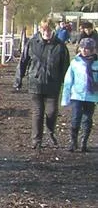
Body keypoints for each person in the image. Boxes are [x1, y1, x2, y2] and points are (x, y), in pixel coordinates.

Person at [15, 18, 71, 149]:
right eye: (44, 29)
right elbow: (23, 62)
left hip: (53, 84)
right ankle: (36, 140)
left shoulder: (60, 46)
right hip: (36, 83)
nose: (46, 32)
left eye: (49, 30)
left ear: (53, 30)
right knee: (38, 113)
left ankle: (50, 131)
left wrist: (67, 84)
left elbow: (65, 66)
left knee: (51, 112)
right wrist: (18, 80)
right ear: (40, 29)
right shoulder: (32, 43)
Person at [61, 36, 98, 152]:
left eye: (87, 48)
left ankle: (84, 142)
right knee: (75, 118)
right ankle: (73, 142)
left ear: (92, 50)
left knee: (87, 119)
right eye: (82, 48)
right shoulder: (75, 63)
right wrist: (65, 98)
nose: (84, 50)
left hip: (91, 96)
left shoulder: (96, 64)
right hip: (77, 95)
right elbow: (68, 81)